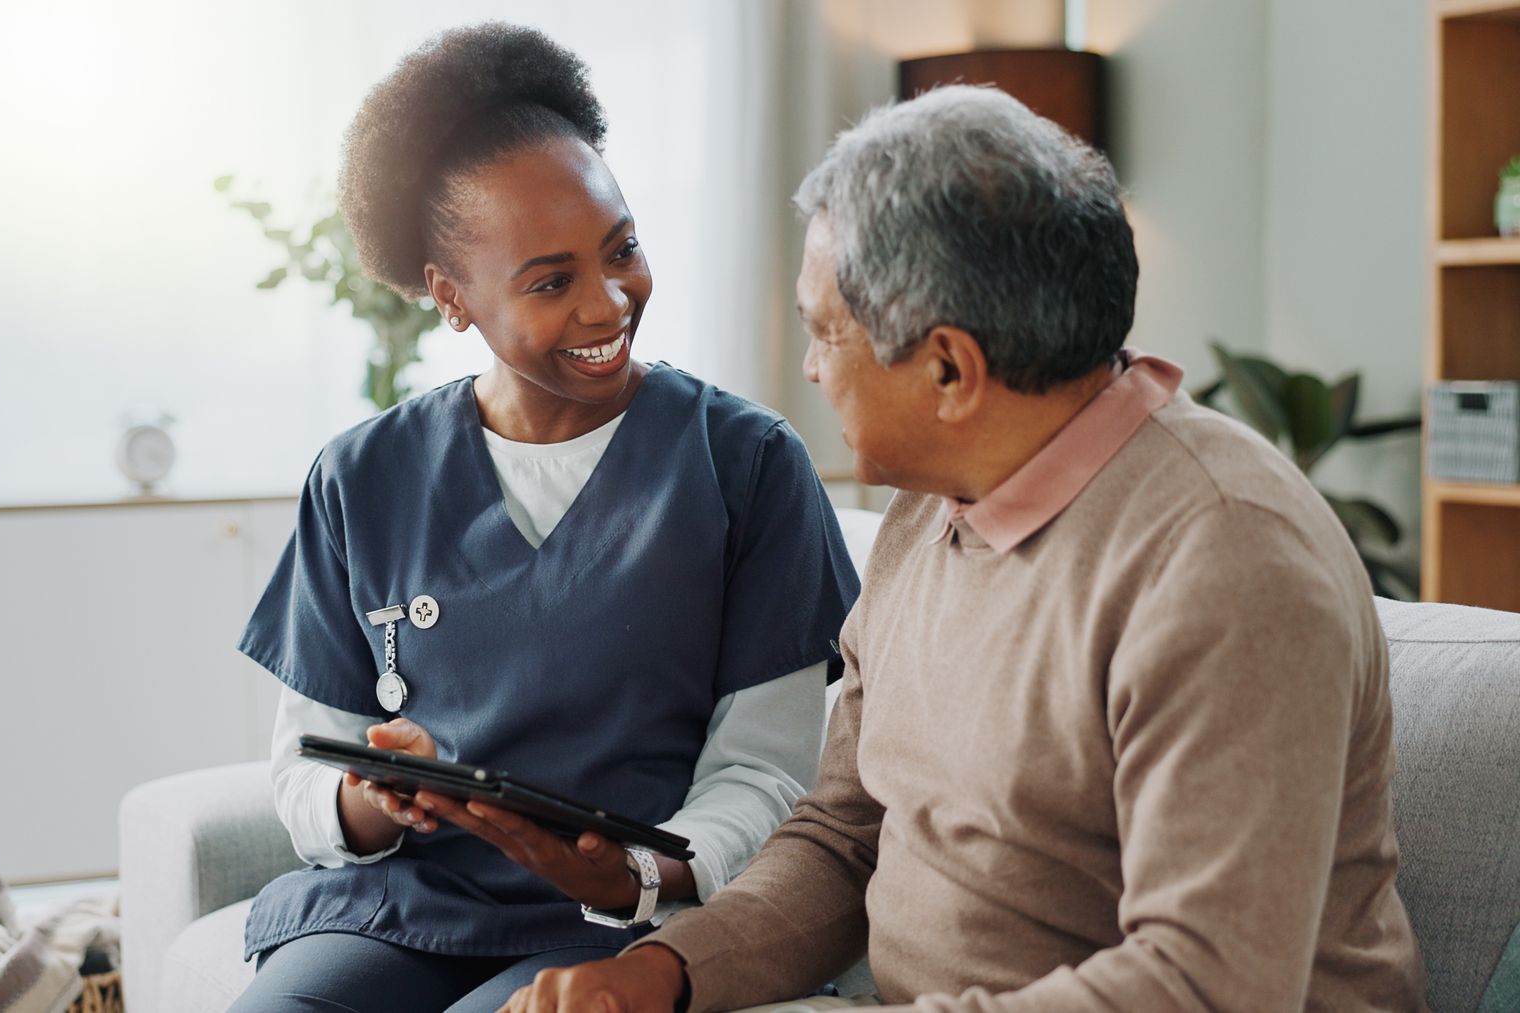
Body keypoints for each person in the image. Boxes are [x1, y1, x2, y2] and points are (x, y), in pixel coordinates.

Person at [506, 85, 1428, 1013]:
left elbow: (1204, 984)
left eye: (826, 332)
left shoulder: (1227, 561)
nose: (815, 369)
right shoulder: (933, 505)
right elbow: (843, 837)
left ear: (949, 369)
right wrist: (661, 974)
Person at [227, 23, 860, 1013]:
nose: (610, 304)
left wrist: (644, 875)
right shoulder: (361, 477)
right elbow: (308, 761)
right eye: (552, 281)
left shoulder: (748, 466)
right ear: (451, 296)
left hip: (629, 921)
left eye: (624, 250)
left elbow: (771, 778)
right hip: (402, 906)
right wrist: (372, 798)